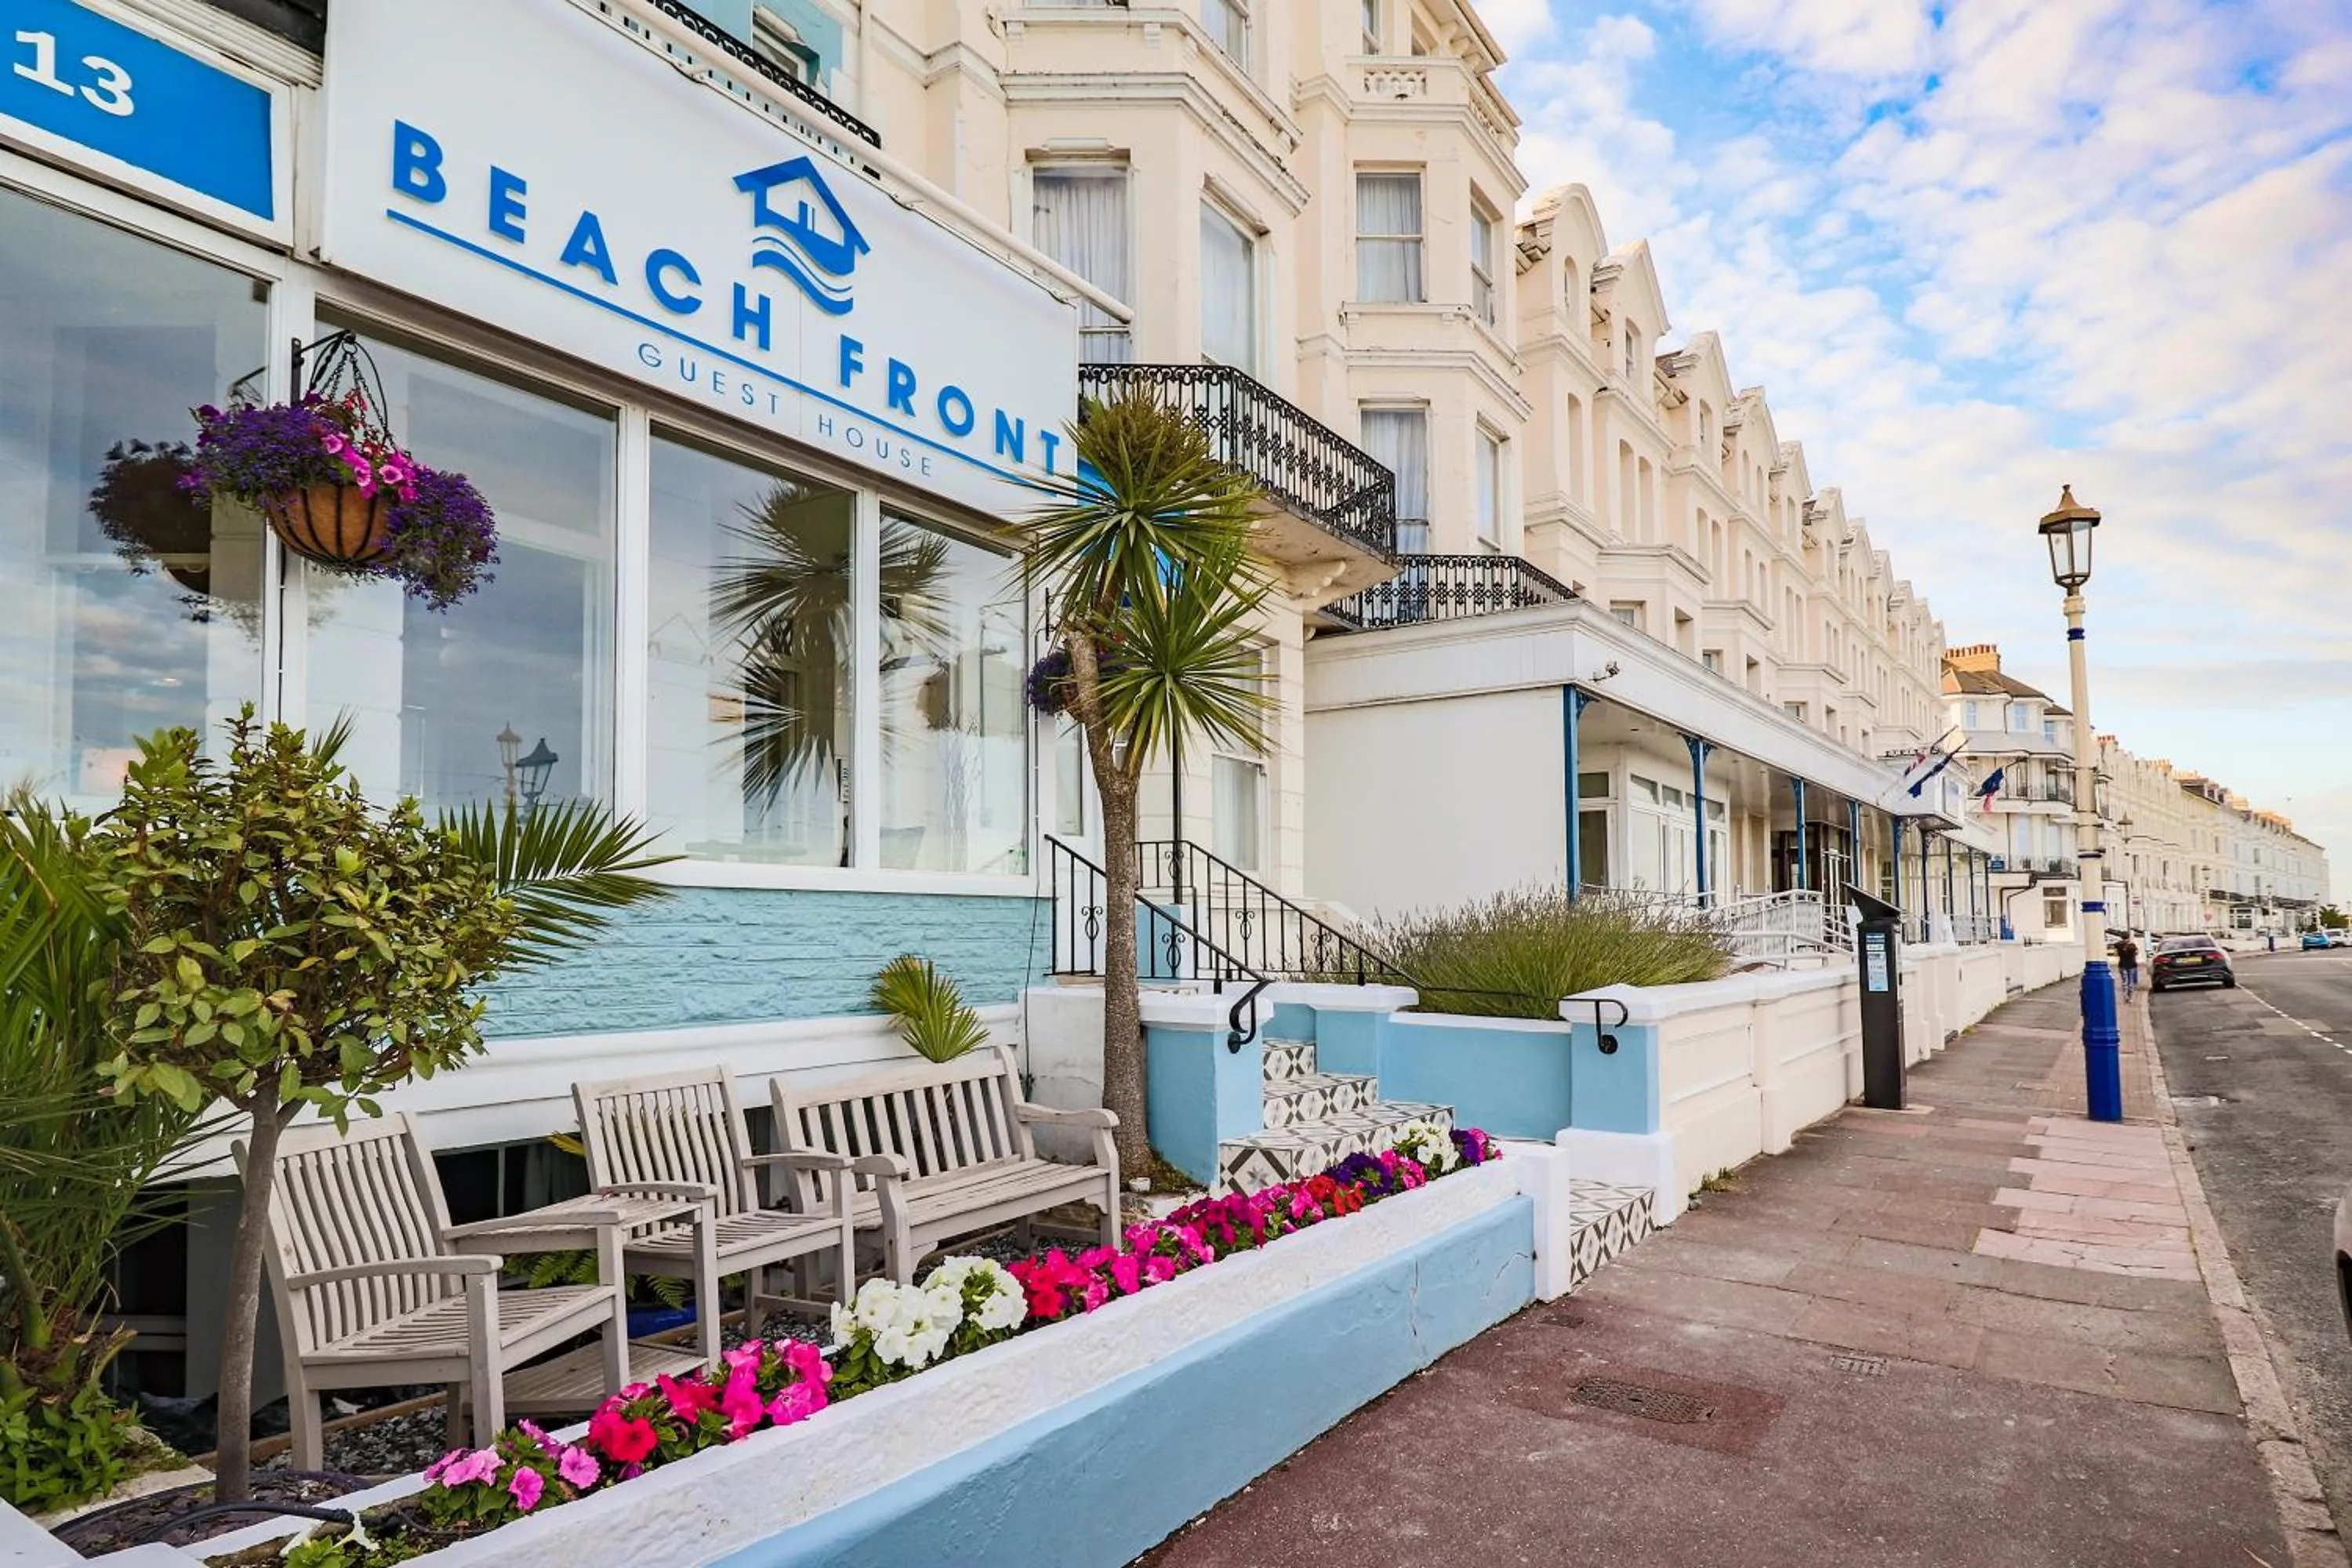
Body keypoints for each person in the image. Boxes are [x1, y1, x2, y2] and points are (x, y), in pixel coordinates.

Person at [2116, 933, 2141, 1000]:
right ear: (2128, 937)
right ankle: (2130, 996)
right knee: (2131, 980)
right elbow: (2137, 953)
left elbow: (2115, 953)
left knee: (2125, 980)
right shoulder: (2132, 946)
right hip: (2132, 965)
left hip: (2122, 964)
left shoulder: (2119, 945)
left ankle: (2125, 995)